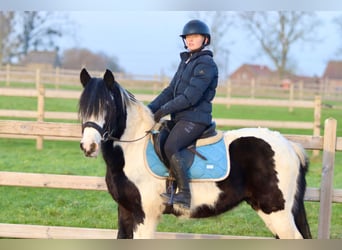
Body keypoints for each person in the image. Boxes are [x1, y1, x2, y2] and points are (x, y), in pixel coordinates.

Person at [148, 19, 218, 209]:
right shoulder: (186, 62)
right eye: (187, 37)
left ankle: (185, 195)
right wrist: (150, 109)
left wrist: (163, 111)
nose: (190, 40)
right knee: (160, 138)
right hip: (181, 118)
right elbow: (171, 91)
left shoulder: (206, 64)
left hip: (196, 119)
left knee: (171, 146)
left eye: (194, 37)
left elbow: (190, 97)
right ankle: (170, 186)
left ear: (205, 40)